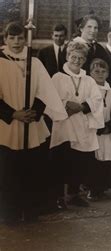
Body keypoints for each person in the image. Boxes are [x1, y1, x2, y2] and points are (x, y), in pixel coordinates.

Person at [0, 22, 67, 224]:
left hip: (31, 122)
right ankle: (9, 212)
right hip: (7, 125)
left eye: (20, 37)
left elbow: (44, 91)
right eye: (12, 38)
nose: (17, 42)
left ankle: (30, 209)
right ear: (5, 40)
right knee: (8, 170)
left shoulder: (34, 62)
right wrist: (13, 114)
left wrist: (33, 113)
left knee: (31, 169)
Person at [50, 41, 104, 208]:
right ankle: (58, 197)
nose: (77, 60)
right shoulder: (58, 77)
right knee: (63, 161)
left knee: (79, 162)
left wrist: (81, 106)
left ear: (85, 60)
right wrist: (67, 106)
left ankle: (73, 195)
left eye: (81, 58)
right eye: (73, 57)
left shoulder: (88, 80)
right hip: (64, 125)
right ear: (67, 56)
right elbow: (51, 98)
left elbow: (96, 99)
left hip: (82, 124)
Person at [87, 58, 111, 201]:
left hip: (107, 130)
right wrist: (96, 126)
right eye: (96, 71)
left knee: (106, 158)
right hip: (93, 130)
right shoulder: (88, 89)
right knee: (94, 160)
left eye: (103, 71)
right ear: (90, 73)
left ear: (108, 74)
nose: (100, 74)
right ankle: (92, 189)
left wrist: (110, 126)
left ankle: (102, 188)